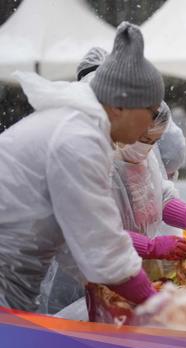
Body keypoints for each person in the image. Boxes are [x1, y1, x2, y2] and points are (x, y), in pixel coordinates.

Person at [0, 22, 163, 311]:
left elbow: (79, 241)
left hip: (16, 273)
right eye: (149, 112)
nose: (151, 124)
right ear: (119, 106)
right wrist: (159, 304)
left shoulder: (82, 127)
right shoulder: (79, 139)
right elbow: (102, 245)